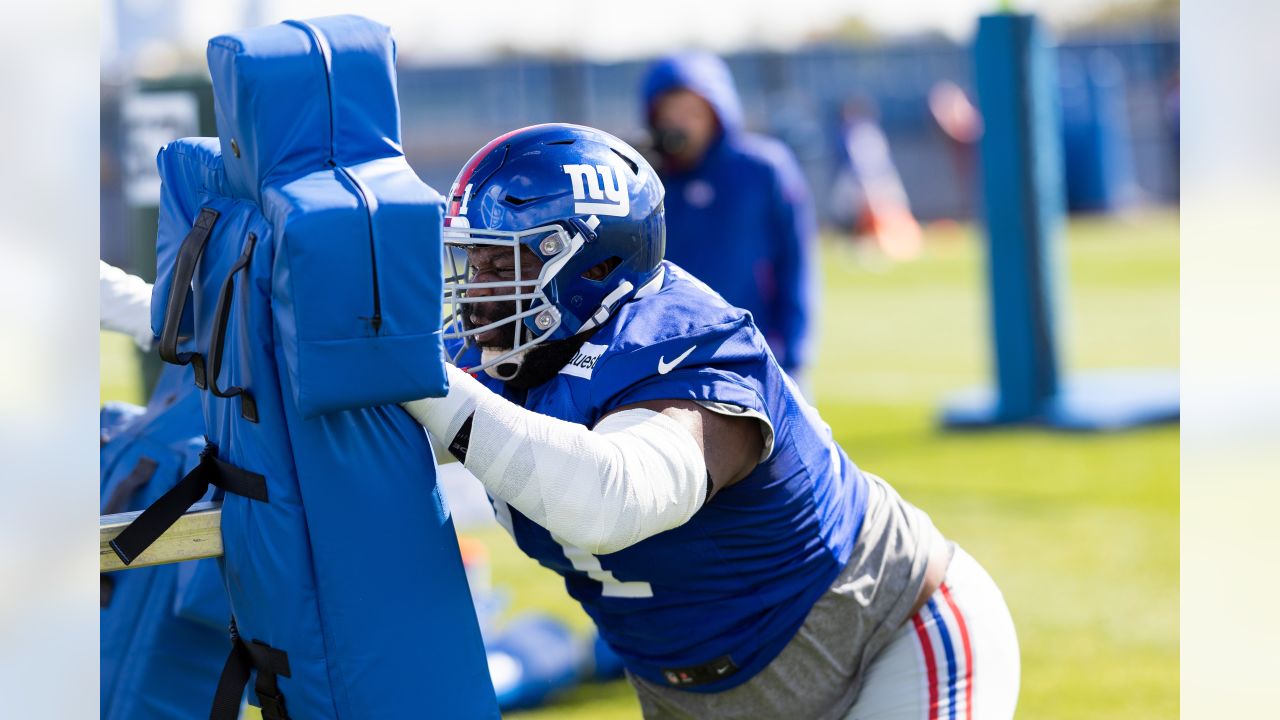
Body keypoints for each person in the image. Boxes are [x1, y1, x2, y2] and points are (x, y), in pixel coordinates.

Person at [404, 123, 1020, 719]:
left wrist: (421, 380)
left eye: (498, 264)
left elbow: (608, 498)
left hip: (881, 647)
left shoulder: (689, 344)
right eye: (471, 260)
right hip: (692, 696)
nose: (475, 291)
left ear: (590, 265)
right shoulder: (519, 363)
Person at [641, 51, 816, 385]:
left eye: (693, 112)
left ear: (718, 112)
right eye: (670, 112)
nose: (680, 123)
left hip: (758, 351)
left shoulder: (763, 168)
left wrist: (795, 352)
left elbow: (796, 261)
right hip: (670, 358)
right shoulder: (644, 178)